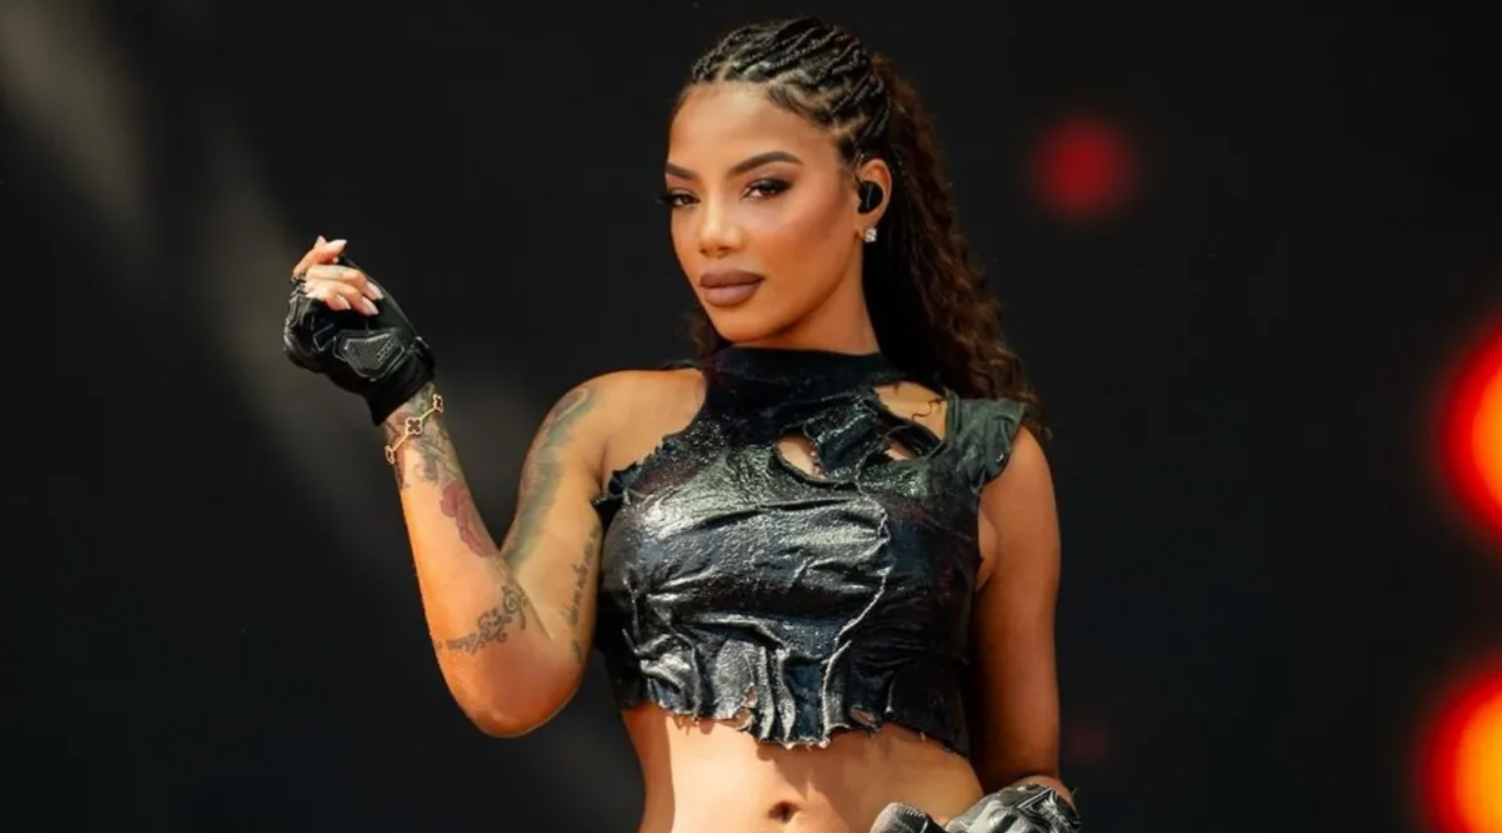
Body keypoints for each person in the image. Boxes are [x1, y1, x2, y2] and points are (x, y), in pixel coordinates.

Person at [283, 16, 1080, 833]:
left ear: (866, 193)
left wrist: (1033, 818)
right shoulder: (608, 422)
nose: (713, 234)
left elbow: (1030, 773)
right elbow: (505, 688)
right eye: (684, 197)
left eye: (763, 187)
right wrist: (403, 397)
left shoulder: (988, 455)